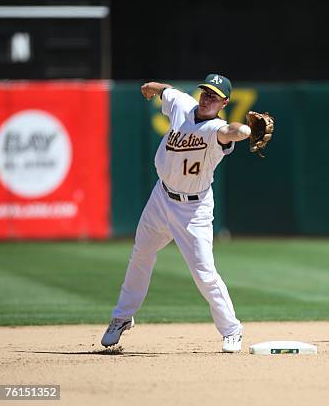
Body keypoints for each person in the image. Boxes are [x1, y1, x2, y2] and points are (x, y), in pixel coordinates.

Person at [101, 73, 252, 353]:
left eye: (214, 96)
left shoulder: (215, 128)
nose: (207, 98)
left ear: (224, 102)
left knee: (204, 272)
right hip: (161, 197)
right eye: (205, 92)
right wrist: (149, 87)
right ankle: (122, 317)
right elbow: (165, 90)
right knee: (141, 255)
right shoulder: (182, 104)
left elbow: (231, 131)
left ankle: (232, 330)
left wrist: (245, 131)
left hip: (193, 209)